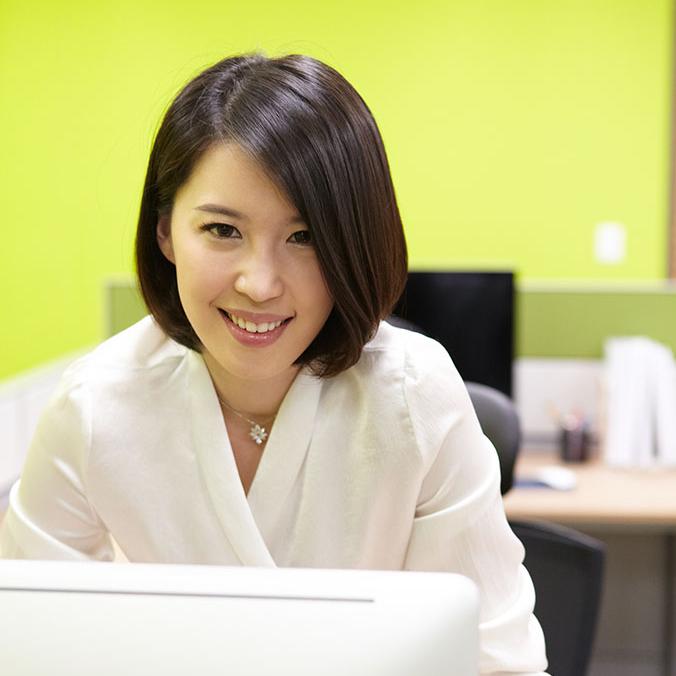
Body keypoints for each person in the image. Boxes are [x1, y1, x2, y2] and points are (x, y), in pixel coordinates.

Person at [0, 53, 548, 674]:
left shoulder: (413, 396)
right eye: (222, 230)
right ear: (165, 232)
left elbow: (497, 658)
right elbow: (27, 642)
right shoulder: (94, 407)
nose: (259, 284)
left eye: (304, 237)